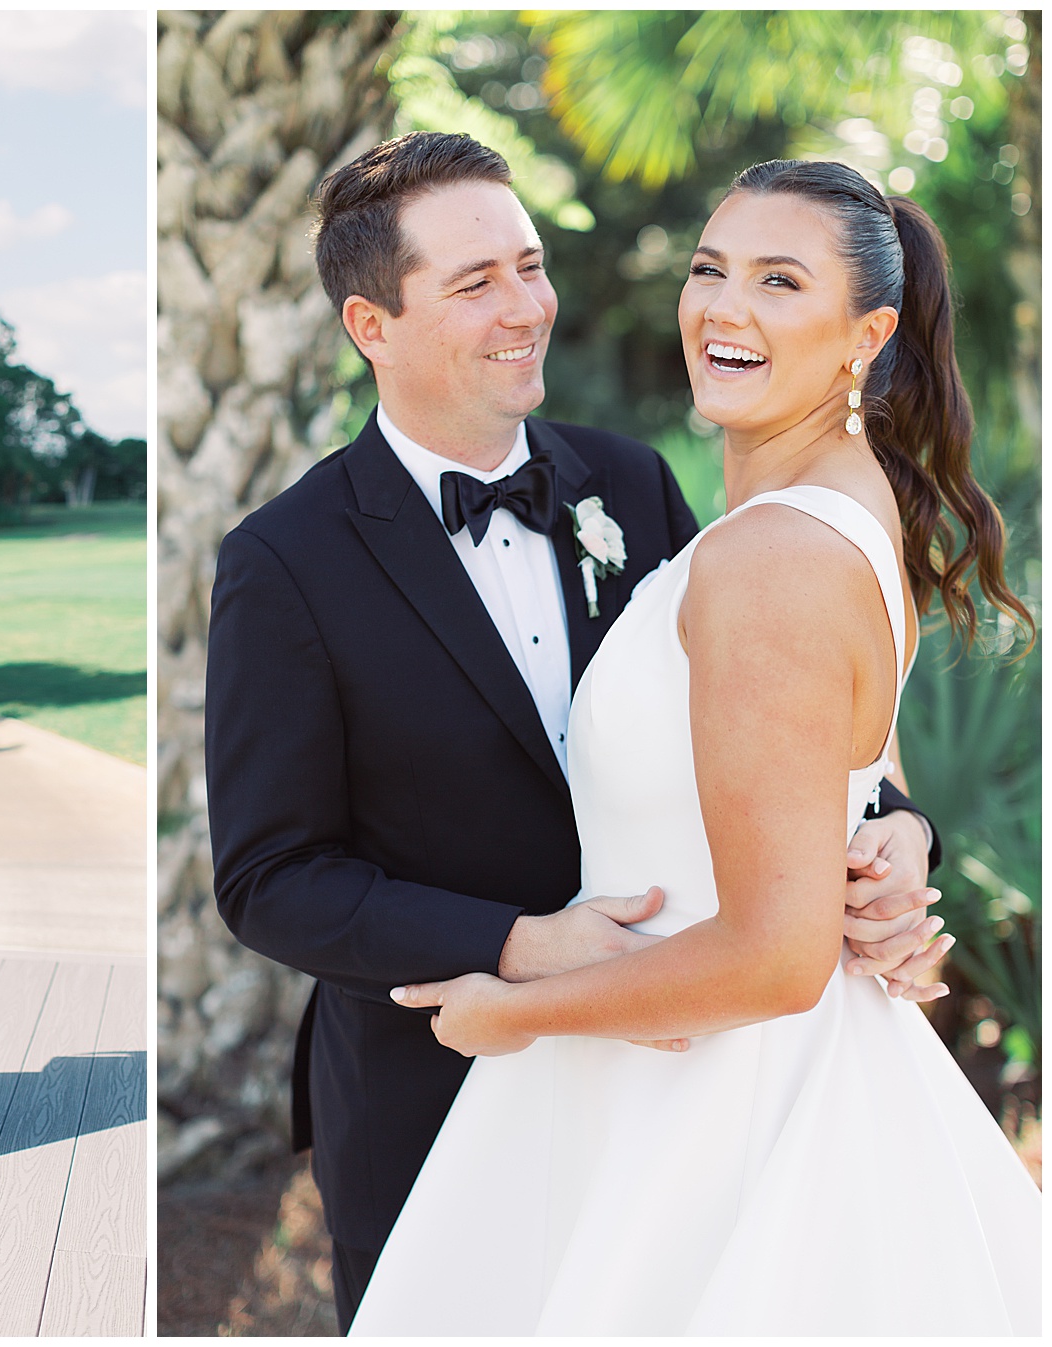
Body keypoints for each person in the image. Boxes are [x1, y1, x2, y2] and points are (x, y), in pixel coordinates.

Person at [204, 133, 949, 1332]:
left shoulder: (630, 482)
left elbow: (782, 712)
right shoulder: (283, 563)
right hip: (435, 1083)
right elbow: (270, 879)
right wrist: (518, 946)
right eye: (475, 284)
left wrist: (897, 833)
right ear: (370, 324)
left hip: (696, 1078)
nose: (527, 309)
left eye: (531, 265)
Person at [355, 160, 1040, 1333]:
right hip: (694, 1070)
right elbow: (835, 768)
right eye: (709, 270)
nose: (724, 308)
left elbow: (776, 960)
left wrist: (504, 1013)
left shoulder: (769, 556)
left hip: (709, 1100)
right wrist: (899, 830)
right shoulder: (836, 505)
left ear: (864, 334)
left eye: (780, 281)